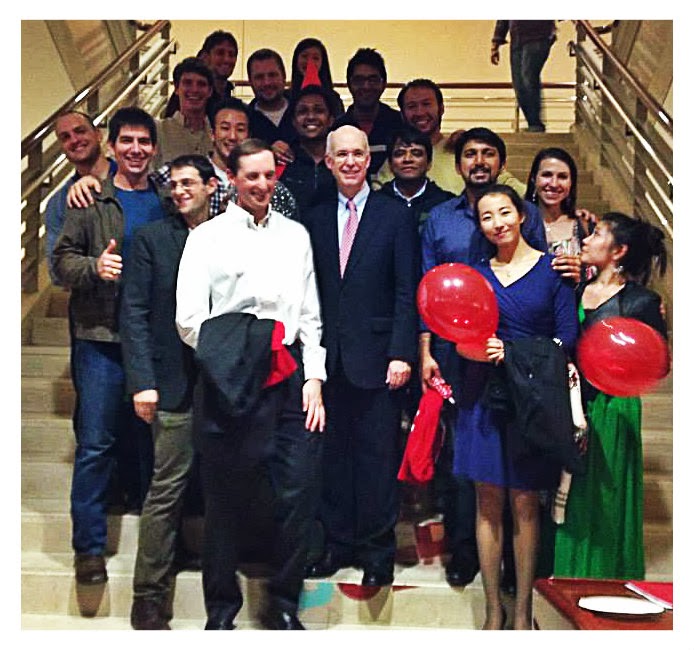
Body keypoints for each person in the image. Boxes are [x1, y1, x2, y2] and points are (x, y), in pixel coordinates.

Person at [175, 138, 326, 630]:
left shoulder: (296, 235)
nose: (262, 184)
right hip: (230, 378)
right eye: (251, 176)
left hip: (290, 377)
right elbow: (189, 320)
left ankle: (283, 603)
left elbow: (309, 314)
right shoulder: (207, 238)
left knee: (297, 492)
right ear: (233, 179)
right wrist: (239, 352)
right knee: (223, 499)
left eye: (268, 175)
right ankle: (221, 611)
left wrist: (314, 376)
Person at [52, 107, 167, 587]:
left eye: (144, 141)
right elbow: (60, 263)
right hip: (100, 338)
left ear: (154, 148)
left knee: (155, 444)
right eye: (127, 141)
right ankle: (90, 549)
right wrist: (94, 269)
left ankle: (157, 545)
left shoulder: (167, 198)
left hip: (154, 341)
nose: (135, 149)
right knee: (96, 444)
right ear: (113, 146)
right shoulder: (88, 200)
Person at [454, 184, 578, 629]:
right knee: (486, 502)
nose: (497, 223)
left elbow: (568, 338)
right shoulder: (474, 275)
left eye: (504, 212)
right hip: (482, 398)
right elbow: (458, 335)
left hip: (532, 401)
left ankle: (523, 613)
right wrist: (468, 347)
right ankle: (493, 612)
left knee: (526, 503)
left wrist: (514, 353)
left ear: (522, 215)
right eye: (487, 217)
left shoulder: (553, 270)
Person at [303, 125, 419, 587]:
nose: (350, 162)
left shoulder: (395, 215)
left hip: (379, 359)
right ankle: (336, 544)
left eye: (358, 154)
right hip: (327, 361)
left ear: (369, 160)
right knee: (331, 459)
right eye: (341, 155)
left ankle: (376, 553)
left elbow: (407, 290)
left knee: (376, 460)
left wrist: (402, 352)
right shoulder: (312, 216)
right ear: (329, 162)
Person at [119, 154, 218, 630]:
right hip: (170, 384)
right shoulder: (151, 239)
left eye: (188, 183)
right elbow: (134, 313)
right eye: (174, 184)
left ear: (211, 186)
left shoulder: (231, 238)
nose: (179, 191)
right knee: (166, 490)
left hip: (223, 385)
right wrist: (142, 381)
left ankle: (220, 579)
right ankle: (148, 596)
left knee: (224, 487)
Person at [553, 212, 668, 580]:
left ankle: (605, 576)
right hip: (575, 403)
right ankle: (569, 576)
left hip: (613, 408)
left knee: (605, 495)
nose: (586, 240)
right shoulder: (573, 291)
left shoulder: (642, 302)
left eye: (597, 234)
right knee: (571, 495)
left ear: (619, 251)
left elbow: (660, 364)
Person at [375, 79, 526, 197]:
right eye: (412, 106)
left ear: (441, 108)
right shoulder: (398, 159)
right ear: (402, 114)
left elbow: (515, 188)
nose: (420, 112)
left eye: (426, 104)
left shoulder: (461, 151)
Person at [45, 111, 115, 284]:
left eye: (80, 131)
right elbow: (57, 269)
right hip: (92, 297)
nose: (74, 140)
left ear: (98, 134)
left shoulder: (132, 179)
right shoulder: (58, 203)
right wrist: (94, 267)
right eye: (65, 137)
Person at [332, 48, 402, 180]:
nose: (366, 86)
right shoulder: (337, 128)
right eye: (359, 80)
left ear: (384, 83)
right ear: (349, 84)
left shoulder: (400, 124)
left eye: (373, 80)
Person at [377, 125, 455, 231]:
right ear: (390, 164)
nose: (408, 159)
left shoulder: (447, 203)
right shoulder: (375, 204)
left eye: (416, 153)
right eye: (400, 153)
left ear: (429, 163)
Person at [524, 147, 593, 257]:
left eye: (562, 177)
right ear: (533, 178)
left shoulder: (584, 224)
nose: (554, 184)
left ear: (571, 183)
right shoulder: (518, 224)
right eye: (547, 175)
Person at [491, 21, 557, 133]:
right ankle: (533, 123)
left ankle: (535, 124)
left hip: (538, 36)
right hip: (517, 39)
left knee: (528, 77)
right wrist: (496, 43)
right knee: (518, 84)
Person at [281, 85, 337, 214]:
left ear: (331, 120)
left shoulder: (343, 162)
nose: (311, 116)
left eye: (319, 111)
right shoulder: (282, 161)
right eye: (303, 111)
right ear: (294, 121)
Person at [164, 30, 239, 121]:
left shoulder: (229, 94)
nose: (227, 59)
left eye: (231, 55)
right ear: (205, 57)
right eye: (220, 53)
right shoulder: (190, 93)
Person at [154, 57, 214, 168]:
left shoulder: (217, 136)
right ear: (176, 89)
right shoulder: (159, 131)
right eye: (187, 83)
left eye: (201, 84)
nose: (194, 89)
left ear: (210, 91)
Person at [246, 49, 297, 166]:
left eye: (272, 75)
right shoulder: (245, 121)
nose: (267, 82)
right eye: (259, 77)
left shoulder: (303, 113)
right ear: (250, 81)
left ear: (284, 76)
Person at [289, 37, 345, 116]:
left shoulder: (334, 99)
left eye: (315, 58)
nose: (310, 62)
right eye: (304, 56)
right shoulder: (286, 97)